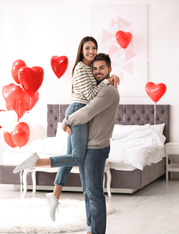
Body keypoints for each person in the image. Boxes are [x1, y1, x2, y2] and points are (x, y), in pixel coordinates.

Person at [13, 37, 119, 221]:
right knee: (78, 157)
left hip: (79, 109)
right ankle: (36, 161)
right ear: (81, 49)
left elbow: (100, 80)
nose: (91, 51)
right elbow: (92, 95)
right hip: (78, 110)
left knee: (69, 158)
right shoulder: (80, 68)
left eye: (94, 48)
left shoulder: (90, 69)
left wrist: (111, 77)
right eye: (87, 48)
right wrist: (108, 81)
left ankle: (54, 196)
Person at [62, 53, 120, 234]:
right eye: (95, 69)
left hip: (96, 148)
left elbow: (87, 112)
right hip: (89, 146)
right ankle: (90, 231)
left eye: (102, 68)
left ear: (109, 69)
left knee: (95, 192)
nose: (97, 72)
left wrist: (66, 120)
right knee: (87, 191)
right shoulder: (99, 89)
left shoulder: (108, 92)